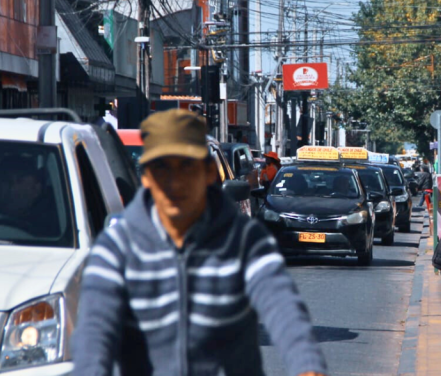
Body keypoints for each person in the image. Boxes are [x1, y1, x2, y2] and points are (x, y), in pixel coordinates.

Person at [72, 110, 327, 376]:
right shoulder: (117, 247)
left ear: (207, 173)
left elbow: (283, 309)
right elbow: (94, 330)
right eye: (162, 168)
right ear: (146, 177)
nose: (175, 182)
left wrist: (307, 366)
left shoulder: (244, 241)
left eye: (187, 167)